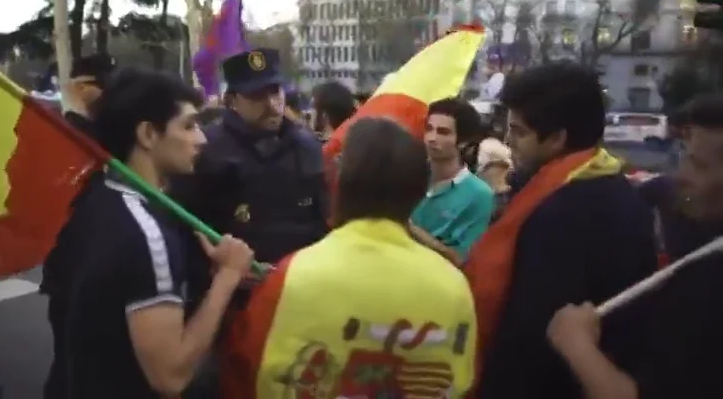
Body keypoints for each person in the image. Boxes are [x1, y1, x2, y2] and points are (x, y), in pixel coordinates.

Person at [219, 117, 477, 399]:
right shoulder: (454, 288)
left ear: (341, 183)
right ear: (417, 191)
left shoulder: (292, 276)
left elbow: (243, 374)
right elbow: (463, 382)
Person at [465, 62, 658, 399]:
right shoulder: (611, 184)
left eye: (519, 131)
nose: (508, 141)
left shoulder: (559, 213)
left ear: (557, 138)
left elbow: (528, 337)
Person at [63, 67, 255, 398]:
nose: (202, 138)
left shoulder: (102, 195)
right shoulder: (145, 231)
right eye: (189, 125)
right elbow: (170, 376)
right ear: (148, 134)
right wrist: (228, 277)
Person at [548, 93, 723, 399]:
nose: (682, 176)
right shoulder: (684, 215)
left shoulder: (711, 288)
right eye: (684, 156)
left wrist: (576, 345)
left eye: (700, 166)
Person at [172, 48, 328, 273]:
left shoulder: (307, 147)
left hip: (299, 284)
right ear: (232, 100)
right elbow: (185, 232)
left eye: (275, 92)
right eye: (257, 96)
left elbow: (321, 224)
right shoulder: (204, 150)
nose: (272, 105)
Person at [40, 53, 116, 399]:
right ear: (83, 88)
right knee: (70, 364)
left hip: (99, 265)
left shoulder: (105, 130)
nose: (110, 96)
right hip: (70, 268)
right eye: (103, 87)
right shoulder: (62, 132)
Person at [410, 99, 494, 265]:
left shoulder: (479, 195)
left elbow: (461, 258)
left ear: (463, 142)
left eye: (443, 132)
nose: (431, 138)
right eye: (429, 129)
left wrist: (411, 229)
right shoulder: (405, 176)